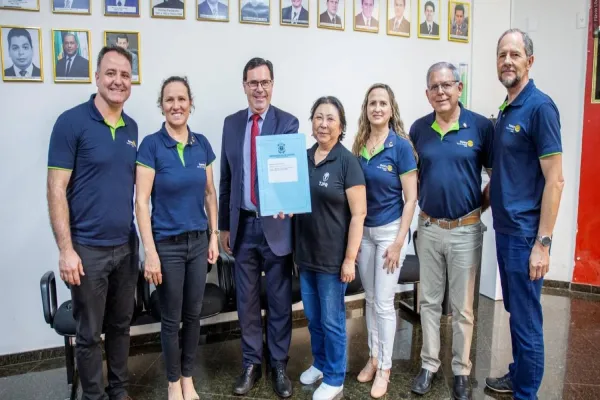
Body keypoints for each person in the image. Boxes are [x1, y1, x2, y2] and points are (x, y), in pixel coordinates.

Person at [46, 45, 137, 400]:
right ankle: (94, 397)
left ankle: (119, 391)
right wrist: (66, 250)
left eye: (125, 75)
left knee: (121, 326)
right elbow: (56, 188)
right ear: (96, 76)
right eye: (111, 73)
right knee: (88, 334)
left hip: (125, 247)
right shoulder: (71, 123)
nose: (118, 81)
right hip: (87, 251)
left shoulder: (132, 127)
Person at [485, 28, 564, 400]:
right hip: (505, 231)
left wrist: (542, 244)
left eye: (514, 54)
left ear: (529, 61)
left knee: (527, 320)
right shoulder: (507, 108)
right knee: (517, 313)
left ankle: (526, 393)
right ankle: (519, 375)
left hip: (525, 235)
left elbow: (555, 180)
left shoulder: (540, 107)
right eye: (502, 55)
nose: (507, 61)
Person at [408, 61, 494, 400]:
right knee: (429, 302)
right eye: (434, 87)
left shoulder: (481, 127)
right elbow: (412, 178)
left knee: (463, 307)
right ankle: (429, 365)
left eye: (447, 85)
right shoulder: (418, 129)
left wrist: (477, 210)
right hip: (429, 227)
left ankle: (461, 370)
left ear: (459, 88)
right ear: (427, 93)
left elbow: (495, 176)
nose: (441, 92)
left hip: (466, 232)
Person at [135, 76, 220, 400]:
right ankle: (173, 382)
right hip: (166, 246)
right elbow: (141, 202)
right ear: (162, 105)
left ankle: (187, 377)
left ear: (190, 103)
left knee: (193, 314)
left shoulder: (202, 144)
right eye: (169, 99)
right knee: (171, 318)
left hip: (198, 243)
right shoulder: (151, 145)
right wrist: (150, 252)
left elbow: (210, 194)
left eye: (182, 99)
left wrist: (213, 237)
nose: (176, 105)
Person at [218, 57, 298, 398]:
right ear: (244, 86)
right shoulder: (232, 124)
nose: (259, 89)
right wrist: (223, 226)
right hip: (243, 226)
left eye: (265, 82)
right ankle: (251, 362)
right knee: (246, 301)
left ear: (272, 85)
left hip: (276, 227)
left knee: (279, 299)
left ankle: (278, 363)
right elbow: (226, 178)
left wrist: (290, 200)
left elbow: (291, 172)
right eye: (253, 82)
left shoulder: (287, 122)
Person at [296, 96, 367, 400]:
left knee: (332, 320)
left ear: (341, 126)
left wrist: (350, 259)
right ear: (311, 122)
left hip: (333, 260)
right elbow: (292, 199)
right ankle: (321, 363)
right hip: (305, 255)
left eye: (330, 119)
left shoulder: (347, 162)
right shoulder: (303, 157)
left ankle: (336, 377)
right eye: (318, 117)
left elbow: (359, 214)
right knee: (313, 318)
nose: (323, 124)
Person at [352, 83, 418, 398]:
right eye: (372, 103)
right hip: (364, 234)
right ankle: (374, 356)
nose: (377, 108)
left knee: (383, 302)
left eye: (382, 103)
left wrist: (399, 242)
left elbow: (411, 198)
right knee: (369, 298)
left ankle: (386, 368)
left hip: (390, 233)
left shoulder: (401, 147)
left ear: (391, 109)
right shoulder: (359, 145)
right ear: (366, 109)